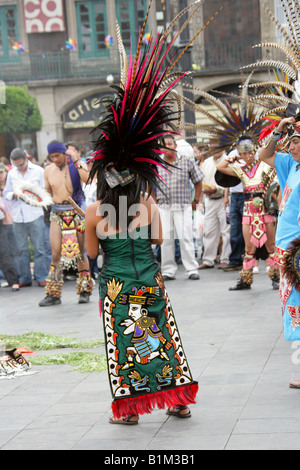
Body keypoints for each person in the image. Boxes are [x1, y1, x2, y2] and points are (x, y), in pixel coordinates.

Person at [85, 2, 202, 424]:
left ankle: (130, 412)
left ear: (102, 175)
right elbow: (157, 241)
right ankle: (177, 399)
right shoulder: (148, 204)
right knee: (159, 334)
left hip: (116, 282)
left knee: (125, 339)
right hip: (149, 277)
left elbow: (93, 254)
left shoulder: (95, 211)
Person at [258, 116, 300, 388]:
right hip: (286, 248)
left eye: (296, 142)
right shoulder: (289, 165)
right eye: (292, 142)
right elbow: (264, 154)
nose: (292, 146)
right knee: (292, 307)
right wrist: (278, 130)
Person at [216, 136, 279, 291]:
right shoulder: (240, 169)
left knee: (271, 246)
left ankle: (276, 278)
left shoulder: (264, 166)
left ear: (254, 151)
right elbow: (220, 167)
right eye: (243, 154)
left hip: (264, 208)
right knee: (249, 249)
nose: (247, 156)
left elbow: (275, 178)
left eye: (249, 152)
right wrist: (234, 158)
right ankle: (246, 280)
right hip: (248, 210)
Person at [39, 141, 94, 307]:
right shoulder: (48, 170)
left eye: (57, 155)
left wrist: (76, 159)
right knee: (56, 254)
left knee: (80, 253)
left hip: (76, 210)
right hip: (57, 213)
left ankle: (85, 290)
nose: (55, 159)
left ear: (64, 153)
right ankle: (53, 293)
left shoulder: (77, 165)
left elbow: (88, 180)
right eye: (52, 156)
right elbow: (47, 193)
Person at [155, 134, 203, 281]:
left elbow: (198, 181)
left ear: (175, 146)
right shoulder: (156, 164)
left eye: (170, 144)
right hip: (163, 206)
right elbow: (150, 185)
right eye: (164, 144)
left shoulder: (186, 161)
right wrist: (154, 202)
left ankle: (191, 269)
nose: (167, 147)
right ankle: (168, 270)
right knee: (166, 239)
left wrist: (196, 199)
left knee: (186, 237)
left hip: (183, 205)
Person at [3, 148, 48, 288]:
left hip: (34, 212)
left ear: (26, 159)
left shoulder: (38, 171)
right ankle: (25, 277)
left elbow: (45, 190)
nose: (18, 167)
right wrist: (14, 195)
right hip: (18, 215)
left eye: (21, 164)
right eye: (16, 165)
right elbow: (6, 192)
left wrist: (31, 193)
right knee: (21, 249)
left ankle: (41, 276)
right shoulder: (11, 173)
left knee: (39, 248)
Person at [198, 149, 231, 269]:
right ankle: (208, 260)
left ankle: (225, 258)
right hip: (210, 199)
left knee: (226, 231)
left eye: (218, 147)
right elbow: (202, 180)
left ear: (223, 148)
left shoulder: (228, 160)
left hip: (224, 199)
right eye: (213, 147)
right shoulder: (206, 162)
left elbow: (229, 181)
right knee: (209, 230)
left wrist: (217, 189)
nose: (215, 150)